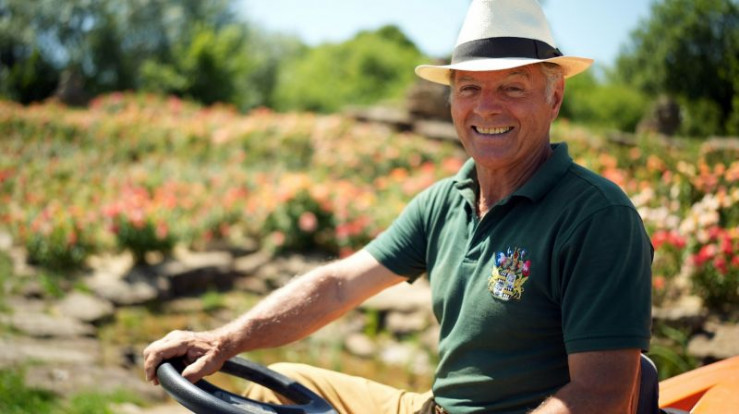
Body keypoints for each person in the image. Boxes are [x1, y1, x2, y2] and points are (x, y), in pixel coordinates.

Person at [143, 0, 653, 413]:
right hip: (432, 408)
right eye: (469, 88)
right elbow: (339, 284)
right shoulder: (445, 201)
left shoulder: (596, 216)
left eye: (512, 87)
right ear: (451, 101)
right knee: (276, 389)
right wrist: (226, 339)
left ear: (554, 97)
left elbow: (601, 396)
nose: (486, 106)